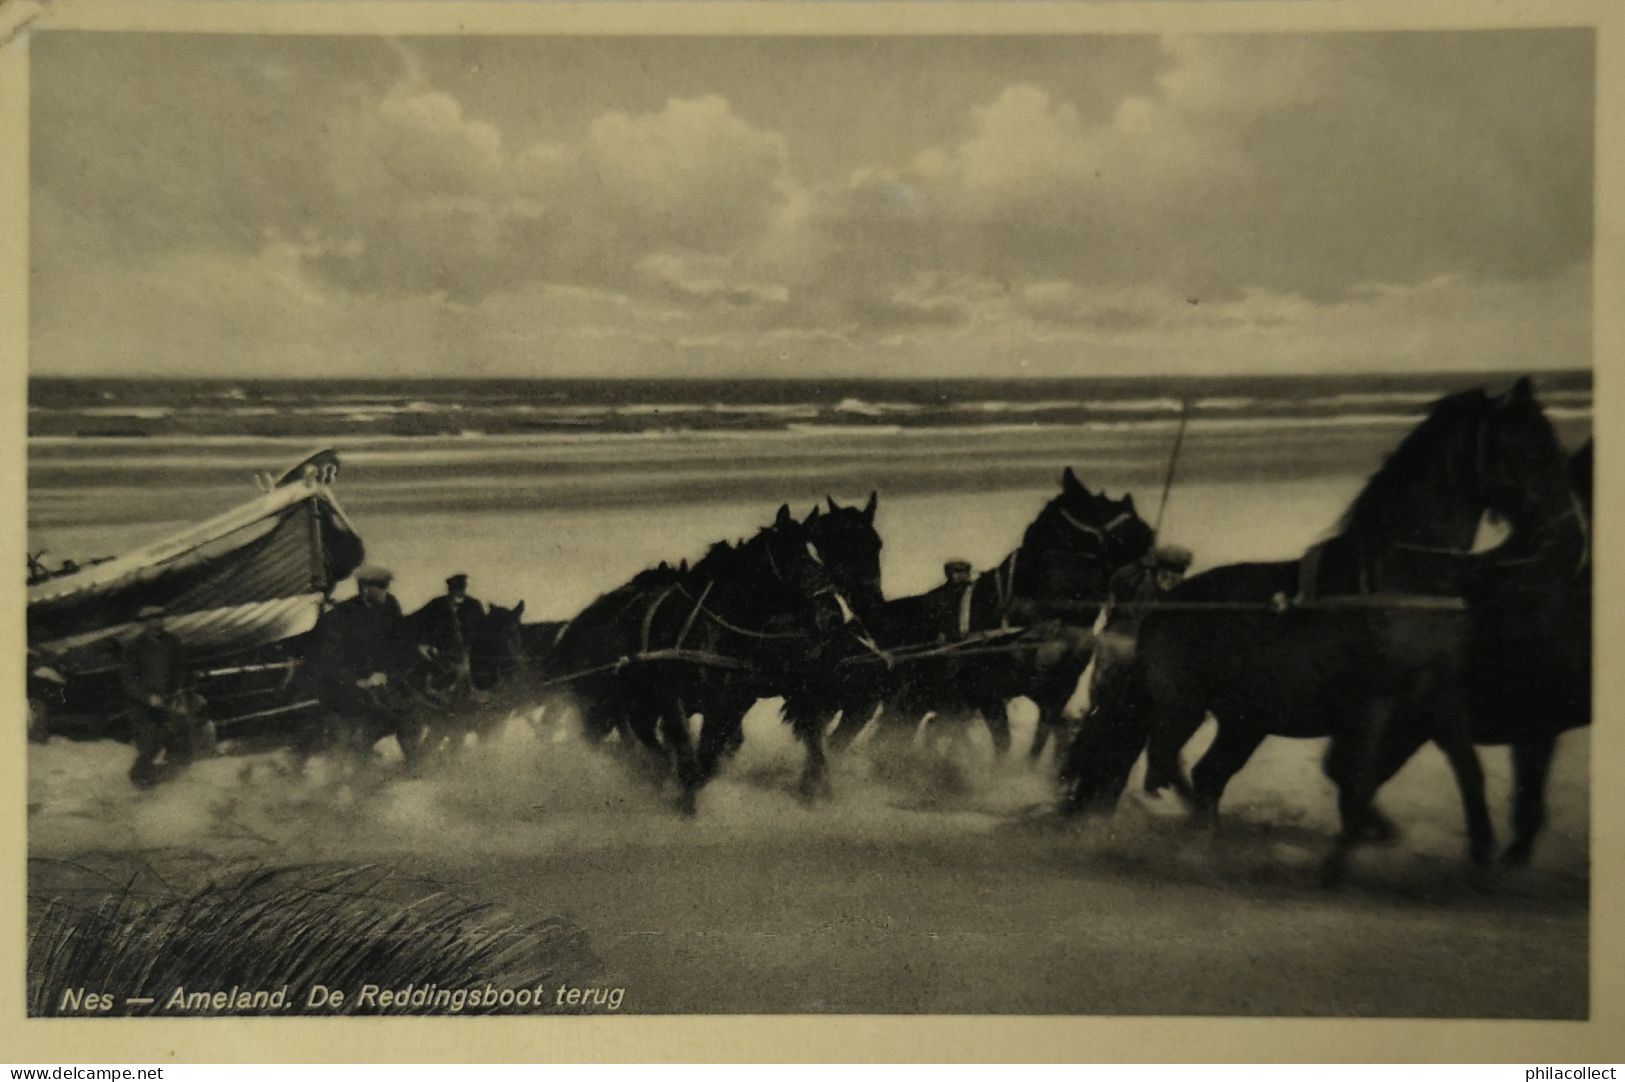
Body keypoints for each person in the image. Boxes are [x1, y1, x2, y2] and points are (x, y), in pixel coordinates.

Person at [303, 565, 417, 765]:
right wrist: (359, 680)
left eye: (386, 586)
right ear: (365, 588)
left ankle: (413, 766)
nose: (386, 590)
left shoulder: (389, 605)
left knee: (411, 713)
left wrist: (387, 671)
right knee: (357, 731)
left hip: (381, 682)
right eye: (381, 586)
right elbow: (328, 660)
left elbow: (400, 640)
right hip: (347, 686)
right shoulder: (340, 616)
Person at [119, 605, 195, 787]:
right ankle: (139, 780)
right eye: (152, 620)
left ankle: (172, 779)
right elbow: (129, 679)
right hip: (144, 707)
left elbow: (181, 668)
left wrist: (180, 689)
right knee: (149, 743)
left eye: (160, 618)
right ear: (144, 624)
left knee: (179, 737)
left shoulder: (173, 642)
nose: (157, 623)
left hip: (169, 700)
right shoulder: (134, 647)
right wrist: (147, 698)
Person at [409, 573, 488, 687]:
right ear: (449, 589)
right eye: (455, 589)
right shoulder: (437, 604)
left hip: (469, 655)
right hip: (440, 654)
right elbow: (416, 621)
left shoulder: (474, 606)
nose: (459, 592)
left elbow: (483, 629)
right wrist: (423, 643)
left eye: (461, 588)